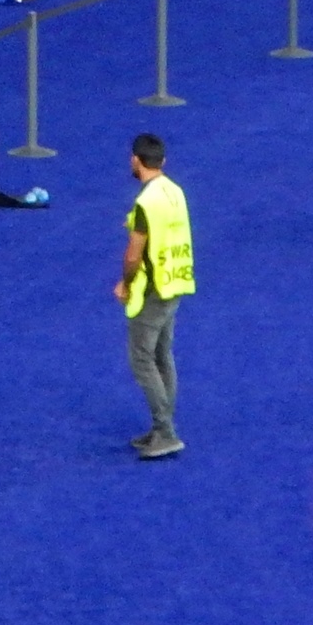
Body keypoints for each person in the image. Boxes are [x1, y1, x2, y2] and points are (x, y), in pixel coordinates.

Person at [115, 134, 195, 459]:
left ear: (136, 160)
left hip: (153, 287)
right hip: (176, 279)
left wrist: (126, 284)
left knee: (142, 359)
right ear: (162, 161)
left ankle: (165, 431)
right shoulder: (175, 191)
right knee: (162, 355)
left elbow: (134, 254)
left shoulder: (146, 203)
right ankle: (162, 426)